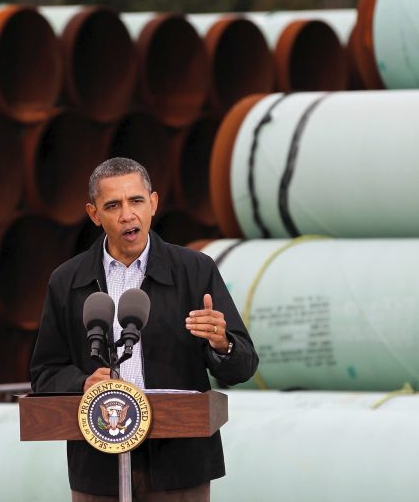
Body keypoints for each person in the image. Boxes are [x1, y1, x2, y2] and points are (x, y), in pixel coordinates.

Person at [30, 157, 259, 501]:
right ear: (94, 214)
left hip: (178, 468)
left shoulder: (194, 271)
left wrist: (222, 342)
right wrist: (83, 383)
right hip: (98, 469)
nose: (127, 215)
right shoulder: (68, 281)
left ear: (153, 203)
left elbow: (244, 365)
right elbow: (45, 372)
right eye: (113, 205)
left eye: (136, 201)